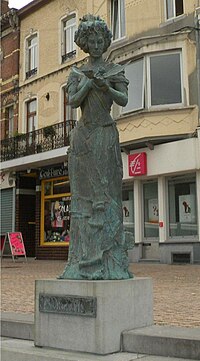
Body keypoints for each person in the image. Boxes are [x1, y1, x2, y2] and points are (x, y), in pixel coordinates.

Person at [59, 14, 133, 280]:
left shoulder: (114, 70)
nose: (97, 43)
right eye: (91, 40)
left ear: (105, 41)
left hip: (105, 135)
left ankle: (110, 260)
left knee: (108, 193)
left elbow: (123, 100)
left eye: (100, 39)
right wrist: (90, 83)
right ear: (84, 43)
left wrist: (107, 88)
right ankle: (80, 260)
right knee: (83, 199)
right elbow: (73, 102)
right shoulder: (77, 73)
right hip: (83, 139)